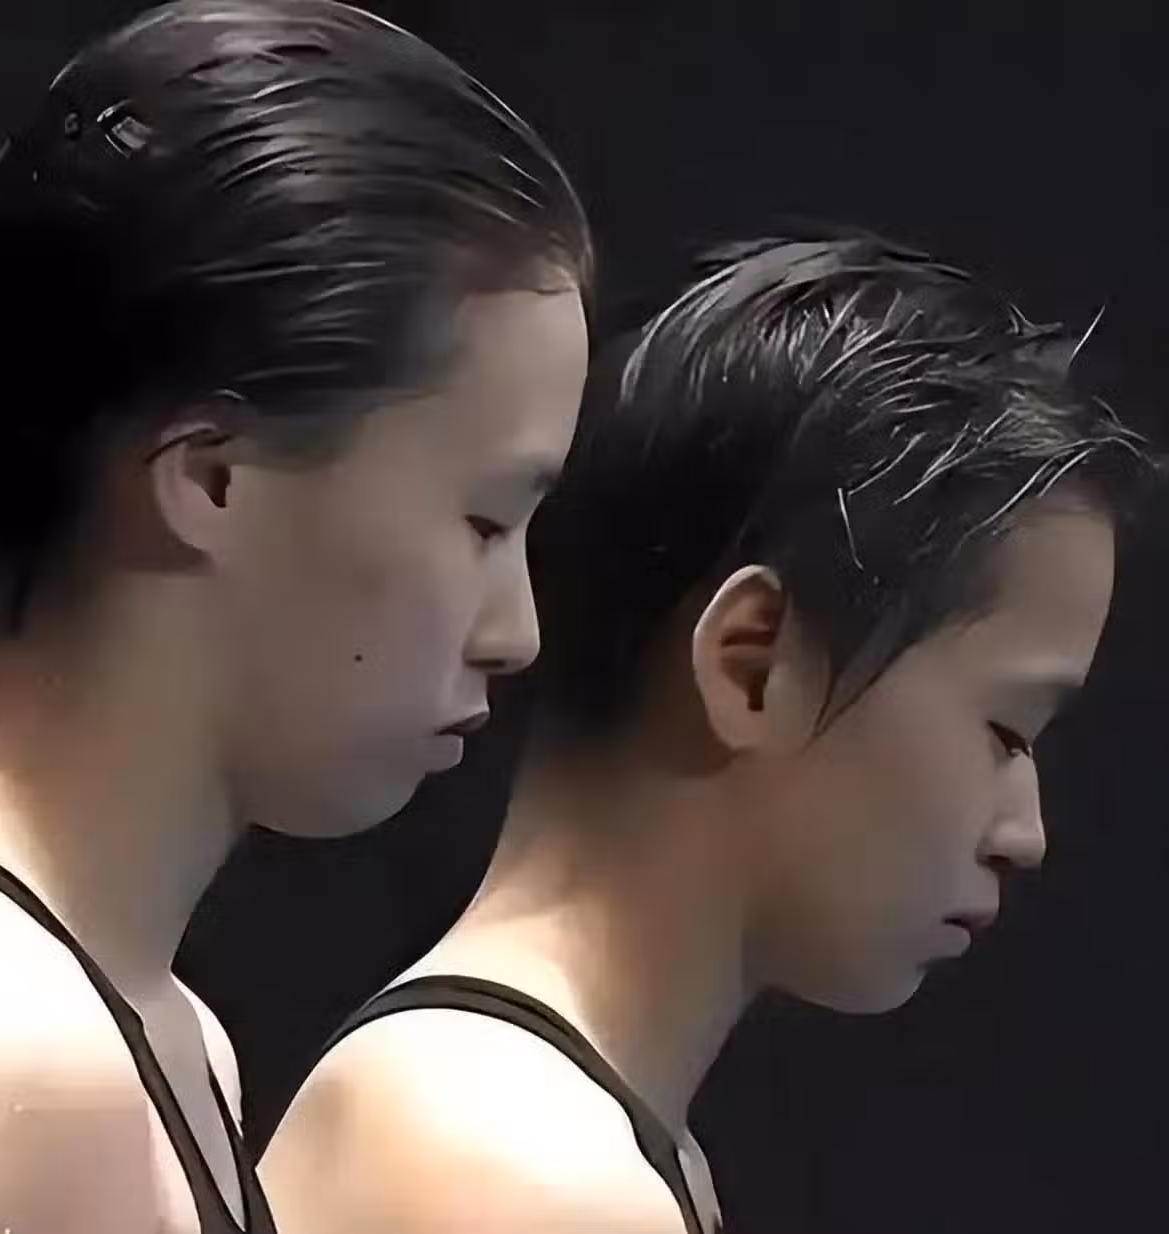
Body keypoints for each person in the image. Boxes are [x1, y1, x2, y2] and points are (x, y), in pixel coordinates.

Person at [260, 231, 1153, 1234]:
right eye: (1007, 729)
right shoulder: (517, 1172)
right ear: (752, 662)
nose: (1026, 832)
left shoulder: (575, 1135)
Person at [0, 1, 590, 1231]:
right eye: (482, 520)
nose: (517, 629)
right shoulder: (13, 1055)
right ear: (214, 478)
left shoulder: (172, 1044)